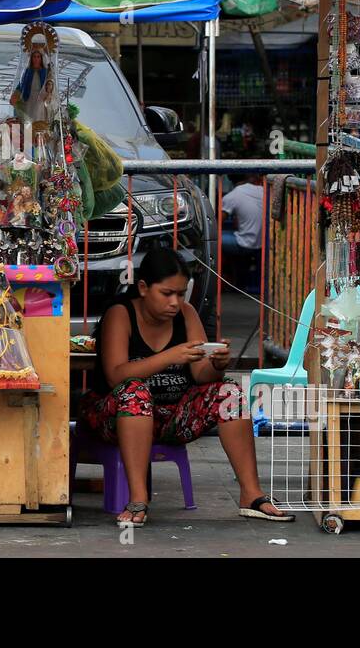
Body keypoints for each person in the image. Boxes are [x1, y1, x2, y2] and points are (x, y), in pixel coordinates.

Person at [82, 247, 291, 527]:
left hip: (171, 416)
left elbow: (202, 376)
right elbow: (115, 376)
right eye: (167, 293)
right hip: (114, 417)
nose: (175, 302)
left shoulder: (187, 314)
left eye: (180, 294)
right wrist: (170, 356)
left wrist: (217, 364)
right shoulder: (121, 314)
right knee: (134, 393)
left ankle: (251, 495)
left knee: (230, 393)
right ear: (143, 288)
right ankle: (138, 499)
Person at [221, 173, 264, 256]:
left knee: (213, 239)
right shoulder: (262, 189)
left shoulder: (232, 196)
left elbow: (216, 222)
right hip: (263, 242)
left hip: (246, 243)